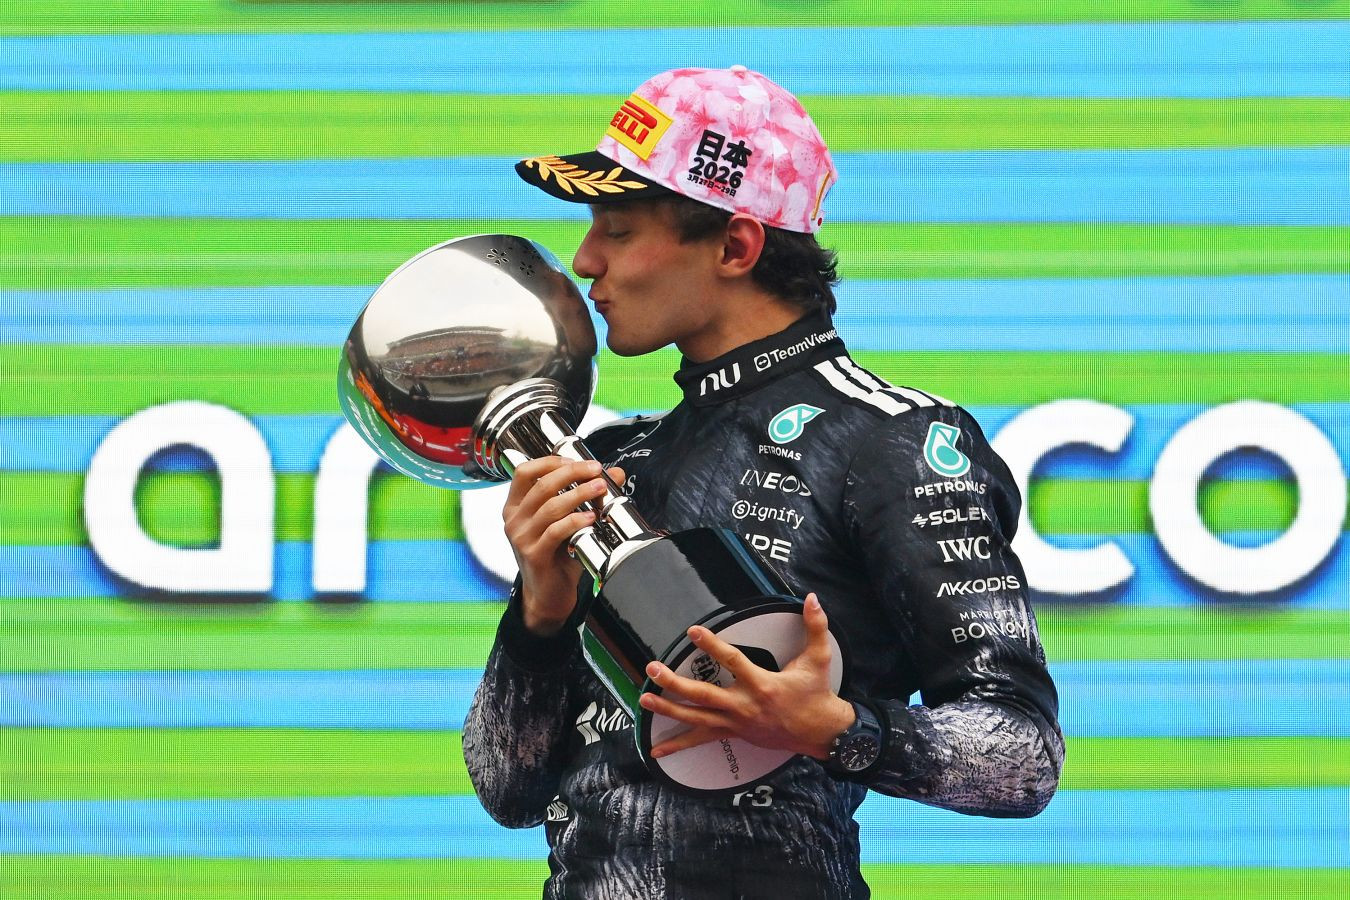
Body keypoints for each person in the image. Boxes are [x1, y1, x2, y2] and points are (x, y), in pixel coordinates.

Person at [462, 65, 1063, 899]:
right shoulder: (613, 459)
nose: (585, 260)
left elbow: (1025, 757)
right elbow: (509, 790)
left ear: (736, 247)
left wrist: (836, 729)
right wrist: (540, 613)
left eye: (619, 229)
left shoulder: (894, 440)